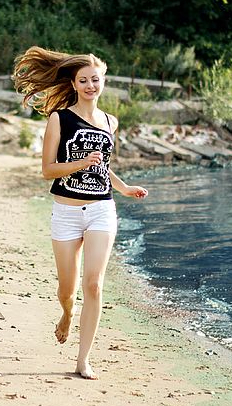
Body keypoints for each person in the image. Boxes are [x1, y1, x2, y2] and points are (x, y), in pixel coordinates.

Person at [12, 46, 148, 380]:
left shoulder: (110, 122)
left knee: (94, 284)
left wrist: (124, 187)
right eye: (83, 80)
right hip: (67, 211)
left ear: (103, 82)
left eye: (95, 80)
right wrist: (79, 162)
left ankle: (82, 360)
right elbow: (47, 170)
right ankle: (66, 314)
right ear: (74, 84)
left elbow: (103, 168)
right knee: (67, 290)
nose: (90, 85)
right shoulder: (59, 118)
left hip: (102, 210)